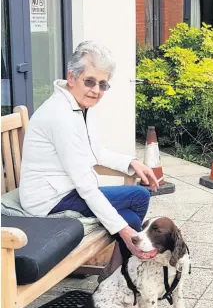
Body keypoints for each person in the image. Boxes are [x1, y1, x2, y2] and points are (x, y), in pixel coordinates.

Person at [19, 40, 160, 280]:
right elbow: (85, 185)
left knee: (130, 216)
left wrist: (130, 162)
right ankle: (120, 277)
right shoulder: (60, 116)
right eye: (90, 81)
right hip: (49, 199)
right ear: (71, 77)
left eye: (103, 84)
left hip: (66, 189)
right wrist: (125, 232)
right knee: (138, 198)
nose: (96, 90)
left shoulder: (78, 107)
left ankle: (114, 277)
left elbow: (95, 151)